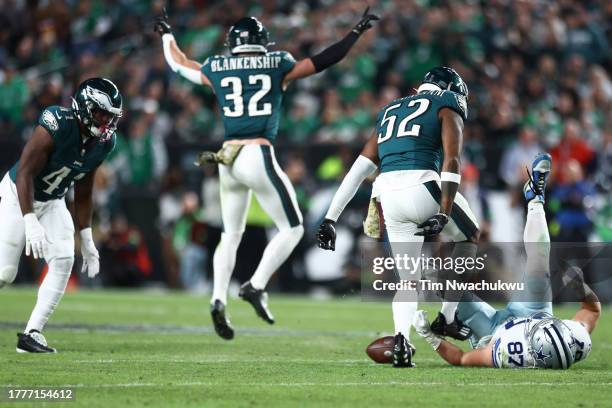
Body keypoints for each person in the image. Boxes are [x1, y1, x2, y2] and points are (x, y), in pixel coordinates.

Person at [154, 8, 379, 340]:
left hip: (227, 157)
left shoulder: (217, 65)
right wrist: (355, 34)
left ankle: (218, 298)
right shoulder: (278, 62)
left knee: (230, 235)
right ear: (262, 42)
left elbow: (179, 63)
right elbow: (323, 60)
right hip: (256, 151)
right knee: (293, 228)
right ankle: (256, 285)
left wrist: (166, 35)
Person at [317, 67, 480, 367]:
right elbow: (452, 159)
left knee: (408, 280)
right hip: (423, 186)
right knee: (470, 236)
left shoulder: (390, 109)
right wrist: (444, 211)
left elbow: (359, 169)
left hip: (387, 195)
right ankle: (446, 317)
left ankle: (401, 342)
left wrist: (330, 217)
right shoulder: (448, 103)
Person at [413, 153, 599, 369]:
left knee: (437, 277)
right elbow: (592, 310)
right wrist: (581, 288)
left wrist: (430, 337)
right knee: (539, 263)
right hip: (534, 311)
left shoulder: (510, 352)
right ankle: (535, 199)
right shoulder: (569, 338)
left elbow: (461, 359)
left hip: (492, 331)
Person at [0, 78, 122, 352]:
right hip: (18, 195)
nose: (107, 123)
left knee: (64, 258)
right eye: (102, 114)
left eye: (111, 117)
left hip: (53, 201)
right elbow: (25, 173)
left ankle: (32, 334)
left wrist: (87, 237)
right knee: (5, 273)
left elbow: (85, 187)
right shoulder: (57, 122)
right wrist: (29, 219)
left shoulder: (104, 142)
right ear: (84, 107)